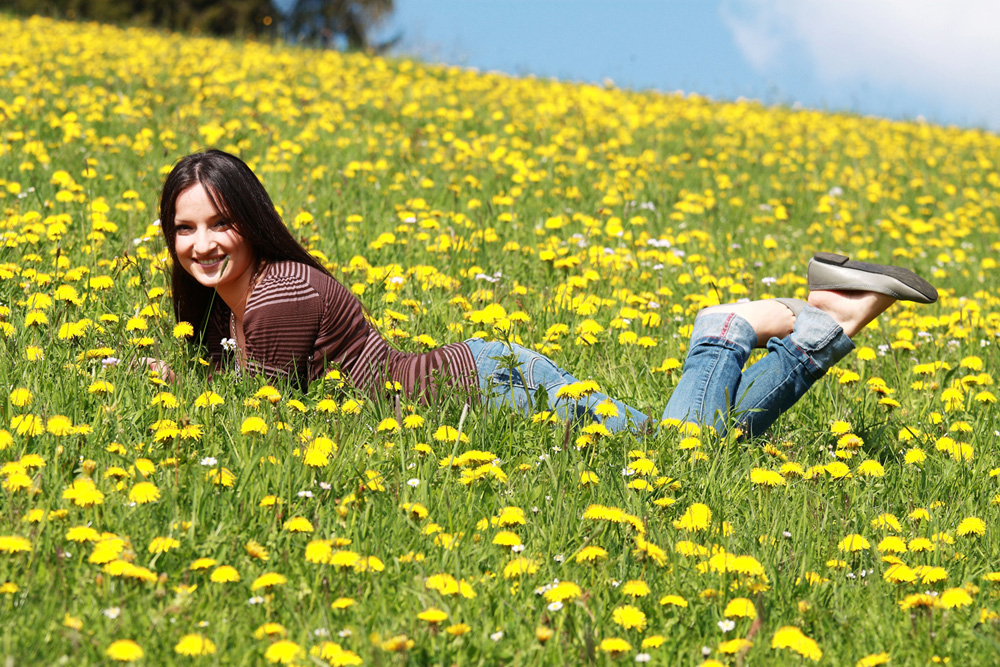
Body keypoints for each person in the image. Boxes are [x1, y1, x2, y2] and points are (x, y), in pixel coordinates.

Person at [156, 150, 938, 438]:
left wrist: (179, 399)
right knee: (705, 458)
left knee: (670, 458)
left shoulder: (278, 296)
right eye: (186, 229)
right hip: (481, 386)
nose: (202, 243)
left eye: (219, 222)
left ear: (250, 222)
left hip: (496, 390)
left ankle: (726, 329)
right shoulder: (243, 311)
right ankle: (831, 315)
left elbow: (253, 423)